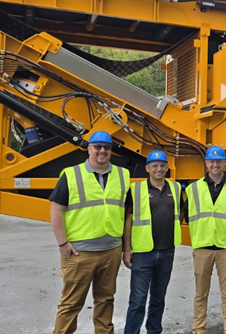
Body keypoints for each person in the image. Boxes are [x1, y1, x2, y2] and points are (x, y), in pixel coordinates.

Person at [48, 130, 130, 334]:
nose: (102, 151)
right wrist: (62, 243)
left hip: (111, 251)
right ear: (89, 149)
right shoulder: (71, 174)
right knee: (71, 304)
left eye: (107, 147)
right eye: (98, 147)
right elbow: (56, 209)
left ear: (111, 151)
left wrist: (125, 249)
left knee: (106, 301)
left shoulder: (123, 175)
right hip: (79, 253)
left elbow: (127, 213)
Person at [186, 145, 226, 334]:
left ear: (224, 163)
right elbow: (187, 216)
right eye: (211, 161)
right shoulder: (193, 189)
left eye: (218, 161)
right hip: (203, 246)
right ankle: (198, 330)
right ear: (206, 163)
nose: (215, 165)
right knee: (200, 295)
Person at [122, 150, 182, 334]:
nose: (159, 169)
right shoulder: (136, 189)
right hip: (143, 253)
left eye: (162, 165)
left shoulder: (176, 189)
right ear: (147, 168)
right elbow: (129, 220)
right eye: (154, 165)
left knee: (158, 299)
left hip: (166, 252)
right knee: (138, 300)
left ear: (167, 168)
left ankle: (154, 331)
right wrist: (126, 250)